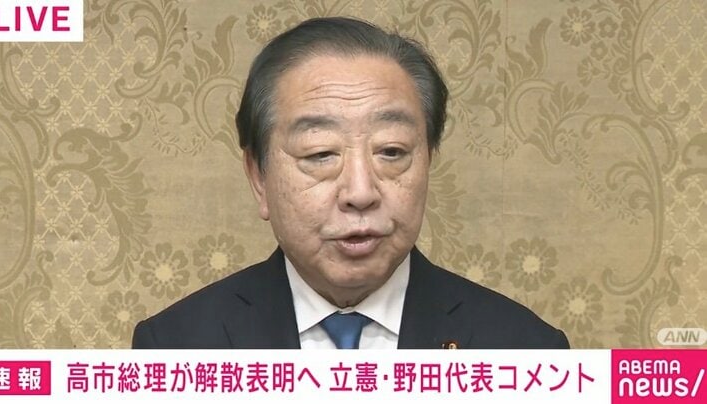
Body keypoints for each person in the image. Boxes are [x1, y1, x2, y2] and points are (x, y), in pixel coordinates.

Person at [132, 16, 569, 349]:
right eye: (320, 153)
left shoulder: (524, 348)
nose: (360, 193)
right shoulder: (176, 345)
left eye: (391, 152)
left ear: (428, 160)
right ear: (258, 176)